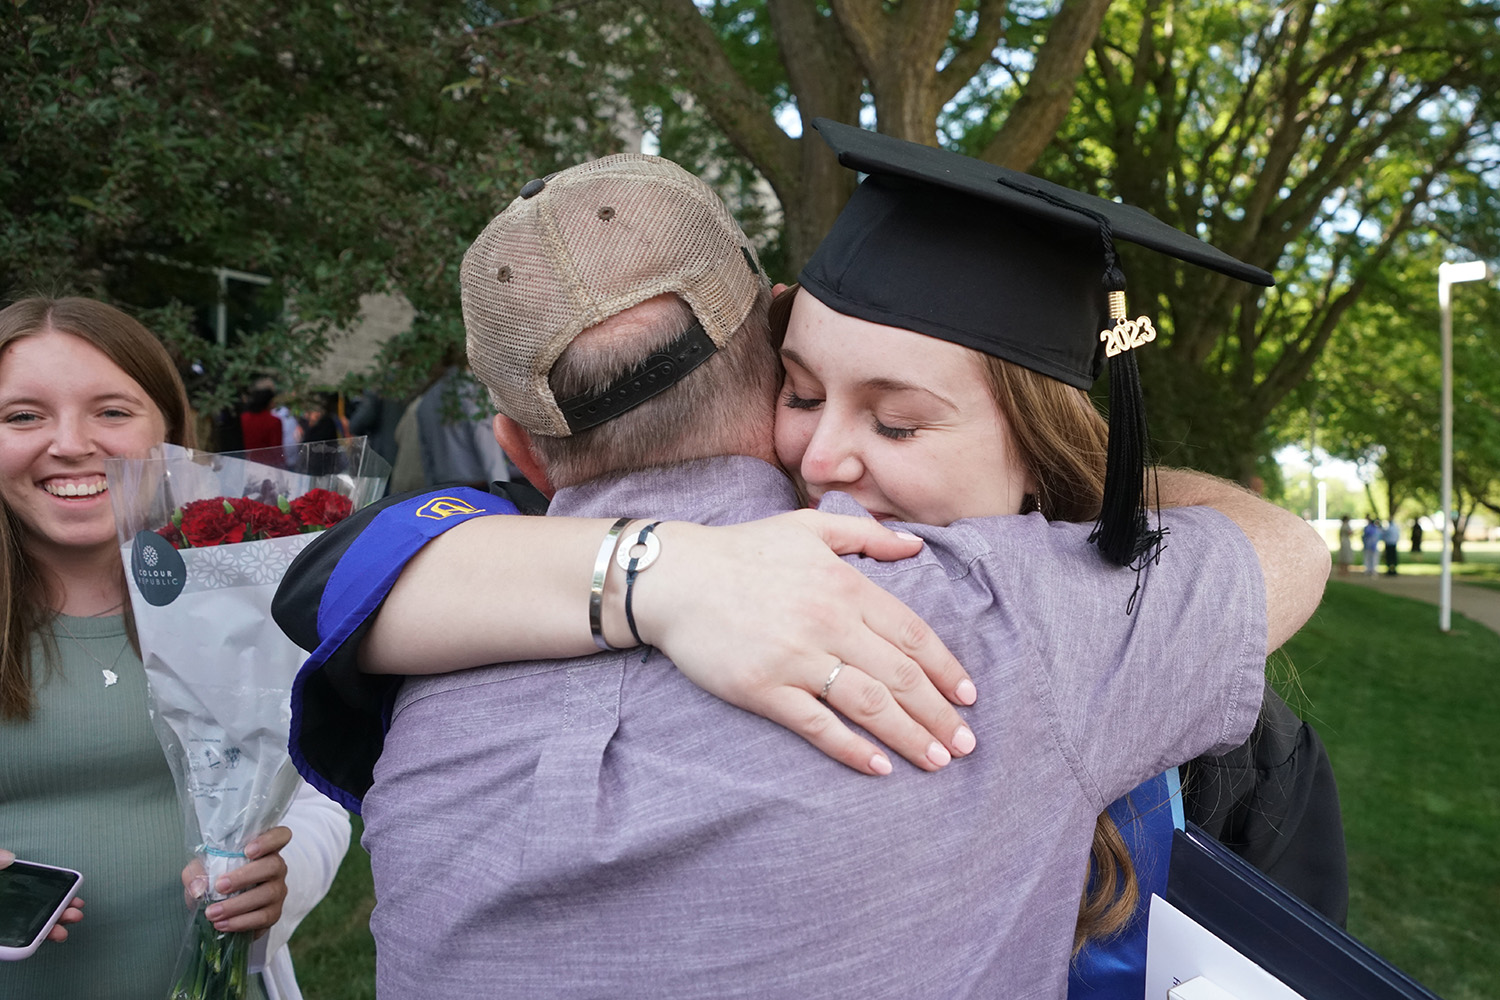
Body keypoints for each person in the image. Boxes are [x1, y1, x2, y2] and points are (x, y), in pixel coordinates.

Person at [276, 142, 1329, 997]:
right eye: (809, 392)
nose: (824, 459)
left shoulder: (432, 657)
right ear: (773, 328)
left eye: (901, 421)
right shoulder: (1025, 624)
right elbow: (1285, 546)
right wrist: (672, 575)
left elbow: (332, 581)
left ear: (513, 445)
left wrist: (648, 573)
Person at [0, 297, 350, 1000]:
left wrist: (283, 877)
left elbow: (314, 792)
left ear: (169, 431)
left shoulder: (244, 591)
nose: (71, 443)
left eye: (112, 411)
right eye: (23, 416)